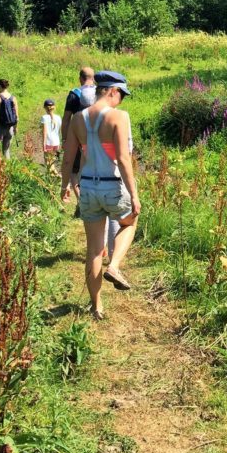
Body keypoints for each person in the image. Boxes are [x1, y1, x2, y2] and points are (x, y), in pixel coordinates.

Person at [60, 70, 140, 319]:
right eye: (121, 95)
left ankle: (96, 306)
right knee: (131, 220)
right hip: (112, 185)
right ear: (113, 91)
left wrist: (64, 185)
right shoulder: (119, 117)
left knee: (93, 249)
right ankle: (114, 266)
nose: (121, 100)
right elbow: (124, 160)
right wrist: (134, 195)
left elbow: (68, 157)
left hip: (88, 188)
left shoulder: (78, 119)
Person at [61, 67, 97, 213]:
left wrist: (65, 139)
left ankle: (81, 201)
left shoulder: (74, 94)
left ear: (80, 78)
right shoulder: (100, 93)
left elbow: (66, 119)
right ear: (93, 78)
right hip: (96, 138)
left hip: (77, 138)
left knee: (74, 172)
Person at [40, 98, 62, 177]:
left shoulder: (44, 118)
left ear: (45, 107)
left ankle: (57, 177)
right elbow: (59, 131)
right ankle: (55, 178)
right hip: (56, 142)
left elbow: (44, 132)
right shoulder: (58, 118)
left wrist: (43, 144)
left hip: (48, 143)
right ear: (54, 107)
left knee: (48, 164)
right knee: (52, 162)